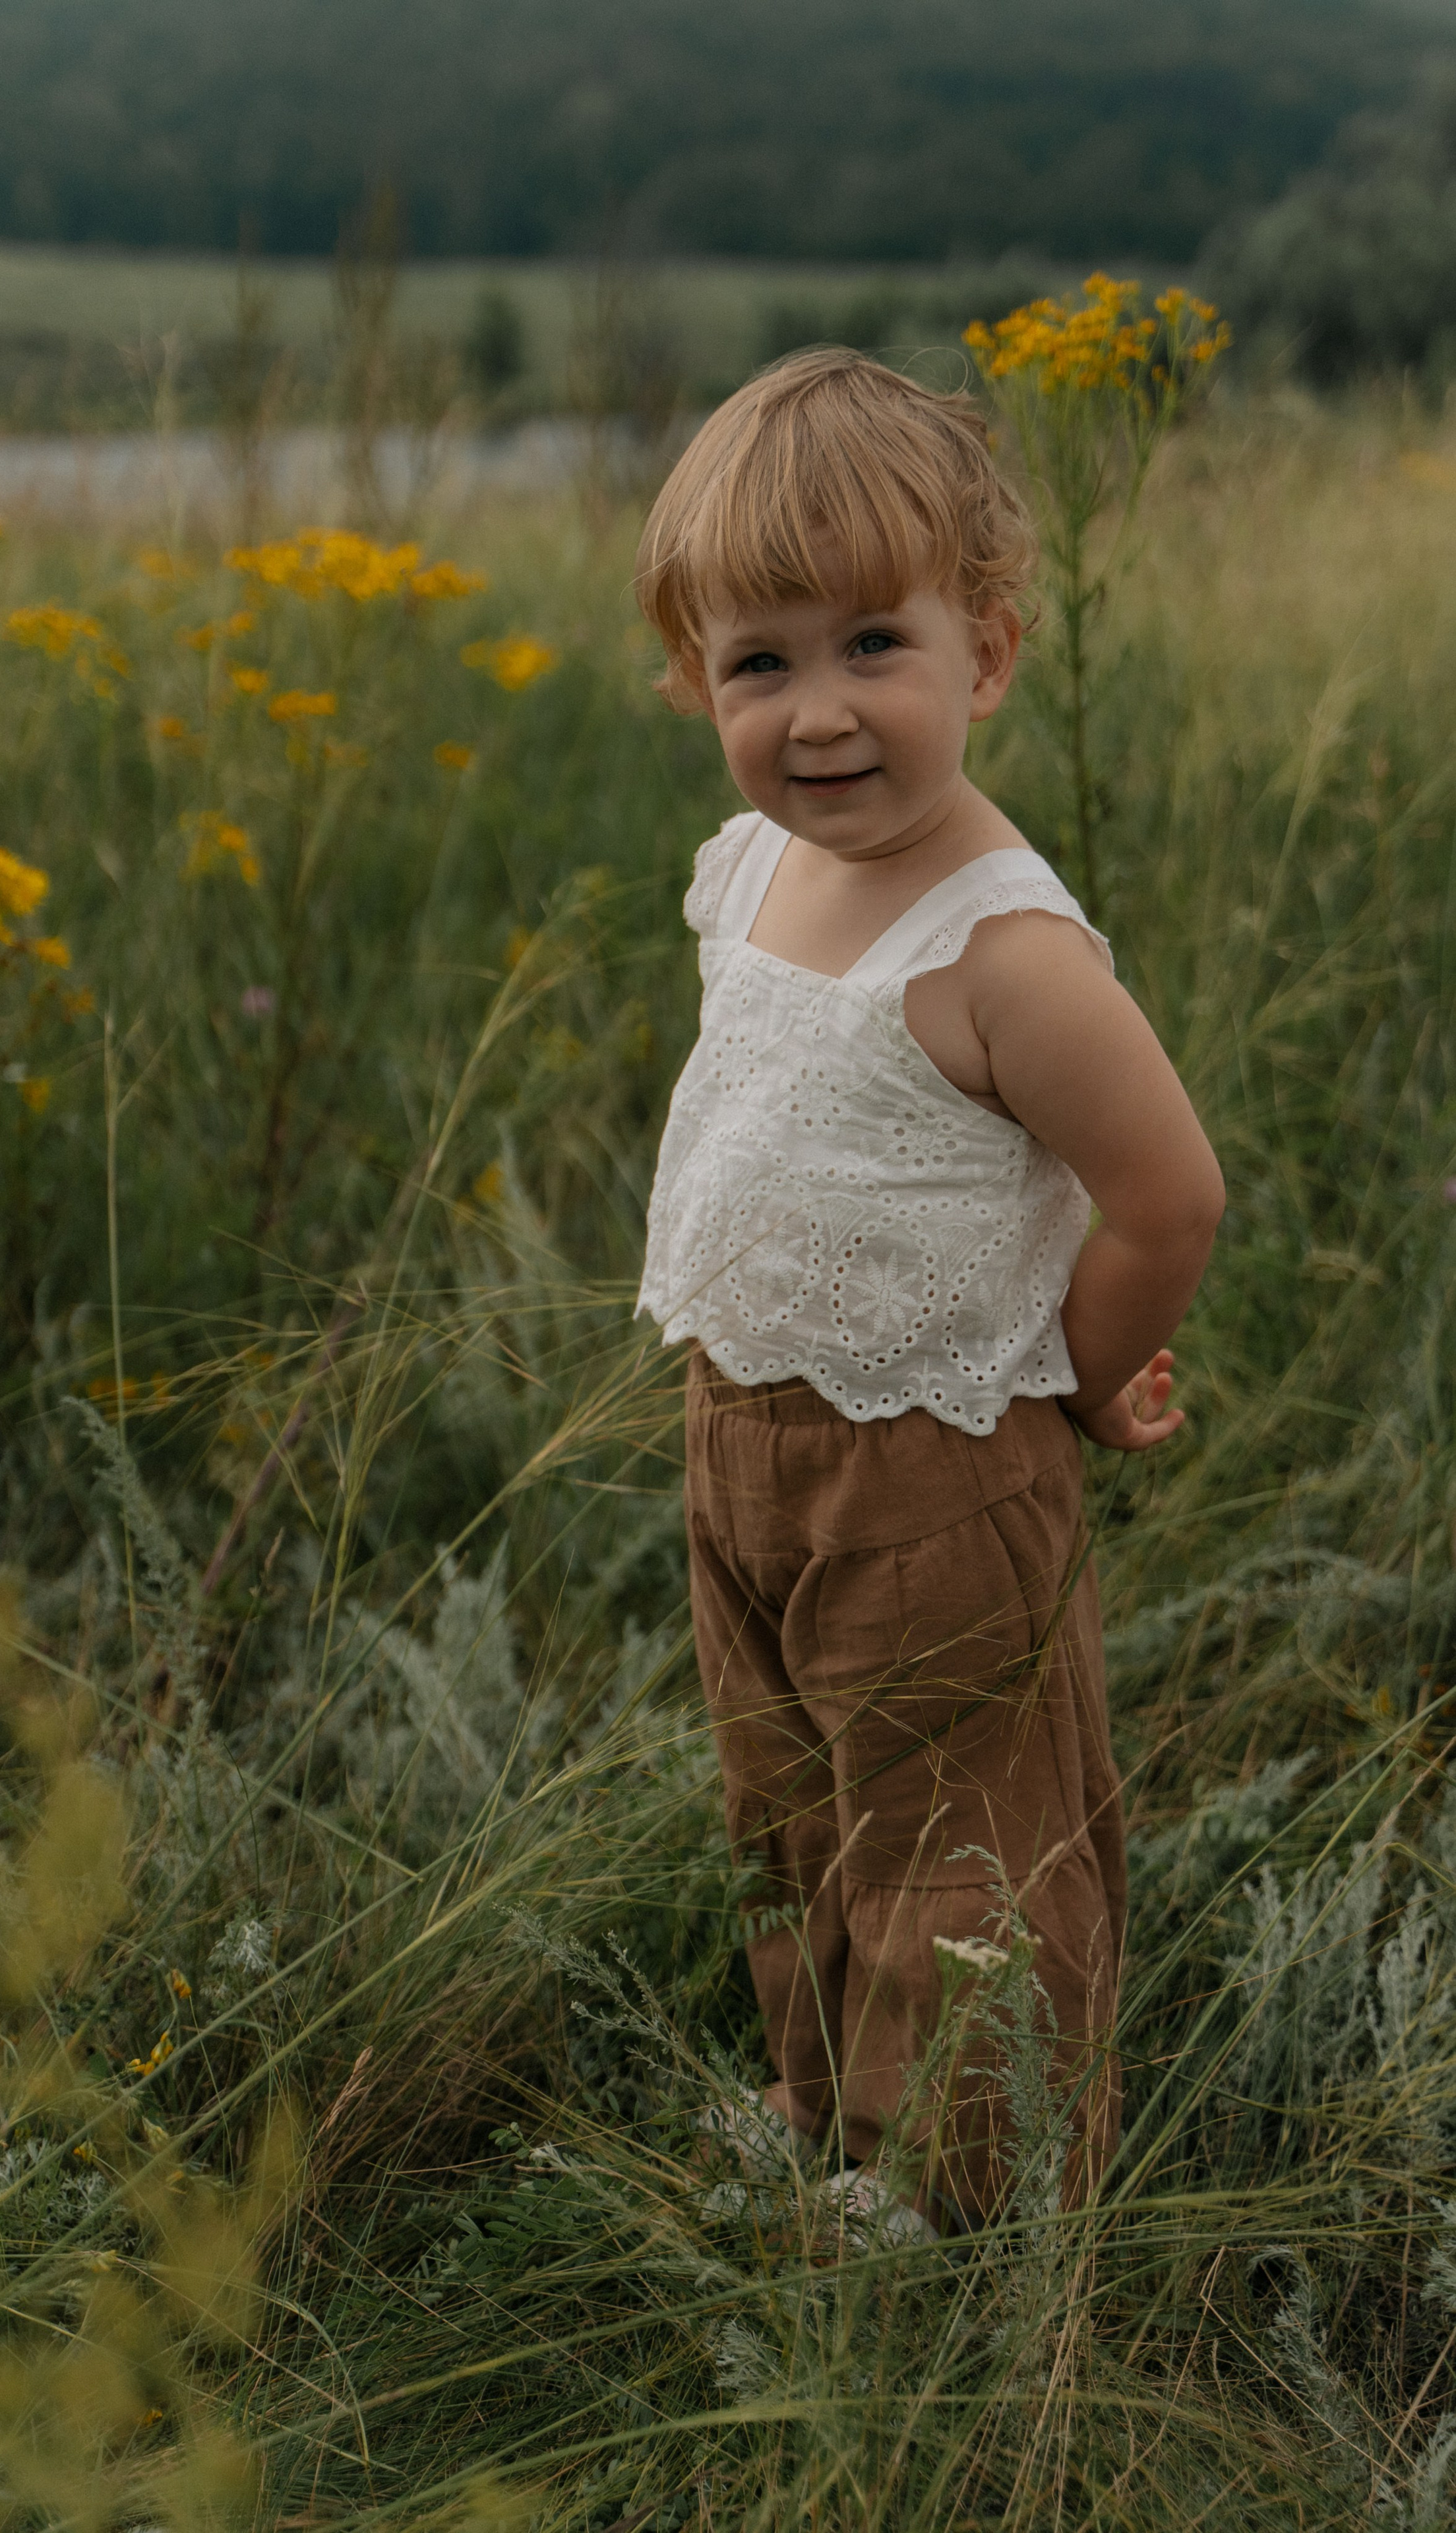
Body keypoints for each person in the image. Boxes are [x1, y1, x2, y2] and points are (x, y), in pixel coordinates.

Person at [633, 347, 1224, 2234]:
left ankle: (975, 2206)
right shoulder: (754, 873)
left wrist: (1070, 1372)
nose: (819, 713)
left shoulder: (1008, 949)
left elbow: (1167, 1193)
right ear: (693, 683)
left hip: (939, 1464)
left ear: (986, 652)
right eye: (761, 661)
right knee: (793, 1801)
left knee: (961, 1840)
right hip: (747, 1435)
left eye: (873, 644)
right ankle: (837, 2124)